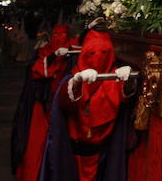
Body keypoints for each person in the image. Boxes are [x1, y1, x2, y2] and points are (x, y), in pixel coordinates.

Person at [39, 29, 132, 181]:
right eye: (91, 53)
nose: (98, 58)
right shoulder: (72, 78)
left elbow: (124, 95)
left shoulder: (113, 79)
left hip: (104, 156)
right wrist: (77, 81)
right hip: (74, 157)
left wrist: (128, 80)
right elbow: (65, 99)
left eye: (103, 53)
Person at [12, 23, 75, 181]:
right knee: (36, 144)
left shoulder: (70, 51)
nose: (58, 39)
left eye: (62, 35)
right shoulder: (44, 52)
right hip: (41, 107)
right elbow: (39, 70)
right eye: (56, 35)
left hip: (59, 108)